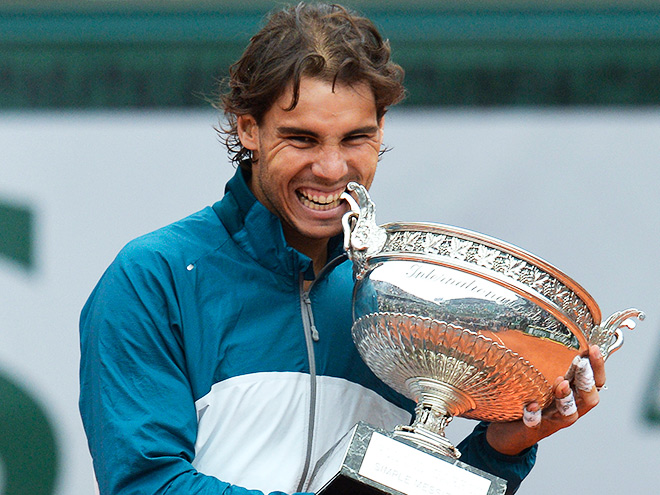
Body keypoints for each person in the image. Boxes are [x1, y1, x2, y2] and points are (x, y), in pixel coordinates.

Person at [79, 3, 605, 495]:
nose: (332, 170)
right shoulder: (157, 277)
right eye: (302, 139)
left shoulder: (398, 294)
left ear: (381, 130)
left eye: (355, 138)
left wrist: (501, 447)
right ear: (249, 129)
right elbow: (148, 485)